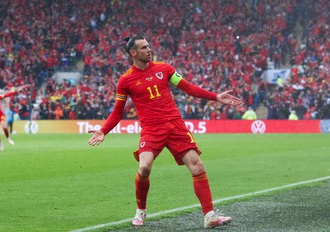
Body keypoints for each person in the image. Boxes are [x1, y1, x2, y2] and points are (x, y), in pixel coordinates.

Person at [88, 35, 243, 228]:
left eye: (149, 46)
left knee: (197, 166)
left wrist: (216, 97)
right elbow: (118, 111)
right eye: (144, 47)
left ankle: (209, 216)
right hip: (151, 130)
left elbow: (188, 88)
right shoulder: (125, 80)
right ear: (133, 53)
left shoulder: (165, 68)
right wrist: (104, 131)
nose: (149, 49)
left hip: (175, 125)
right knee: (144, 168)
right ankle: (140, 211)